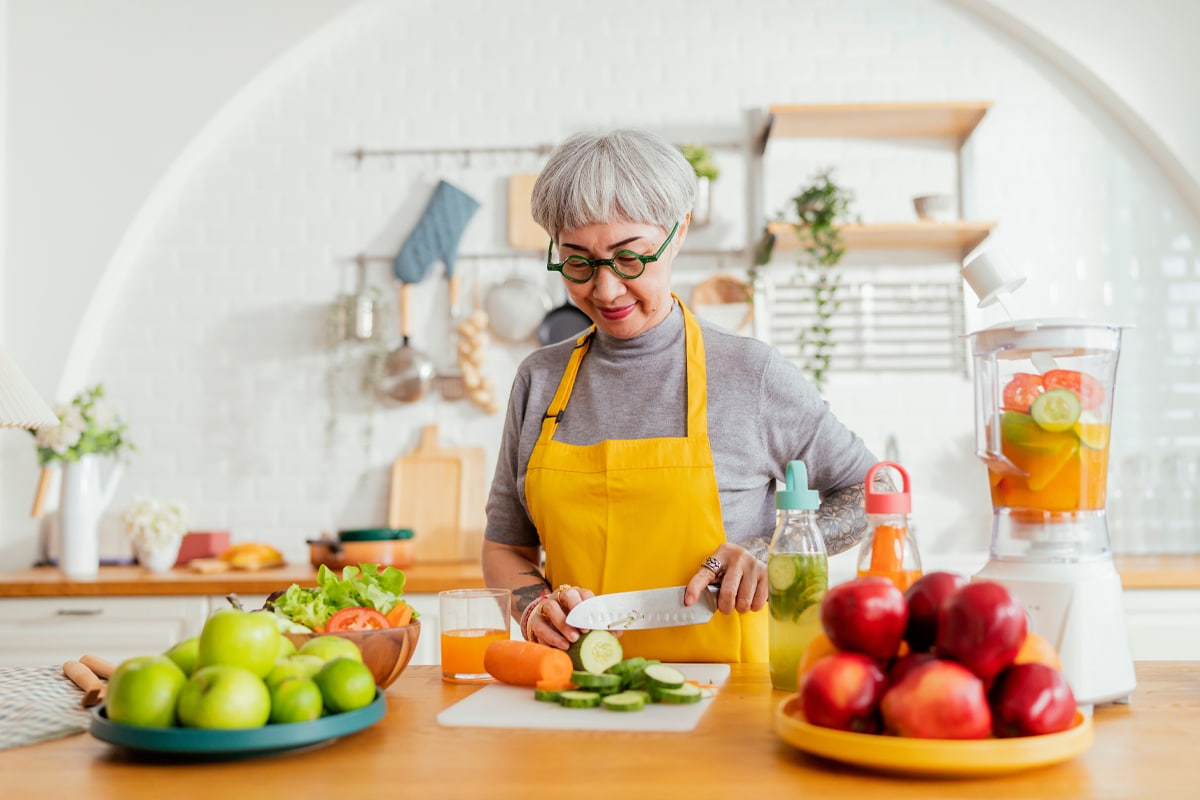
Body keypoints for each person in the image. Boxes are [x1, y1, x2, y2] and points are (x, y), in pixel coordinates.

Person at [481, 129, 877, 663]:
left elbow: (873, 494)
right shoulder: (539, 379)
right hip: (582, 694)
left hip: (731, 701)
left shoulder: (747, 373)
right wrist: (532, 608)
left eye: (629, 259)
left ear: (678, 231)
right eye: (578, 263)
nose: (606, 291)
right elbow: (506, 545)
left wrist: (775, 550)